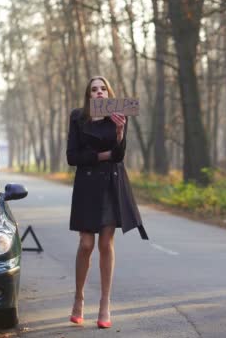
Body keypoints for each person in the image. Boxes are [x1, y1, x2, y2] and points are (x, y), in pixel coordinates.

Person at [66, 76, 148, 329]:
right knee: (86, 243)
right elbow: (72, 157)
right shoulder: (78, 118)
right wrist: (101, 155)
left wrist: (120, 132)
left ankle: (104, 303)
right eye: (94, 89)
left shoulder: (119, 115)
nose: (99, 92)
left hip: (112, 184)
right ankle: (79, 298)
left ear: (109, 93)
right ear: (89, 95)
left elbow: (119, 155)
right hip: (87, 186)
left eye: (103, 89)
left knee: (105, 244)